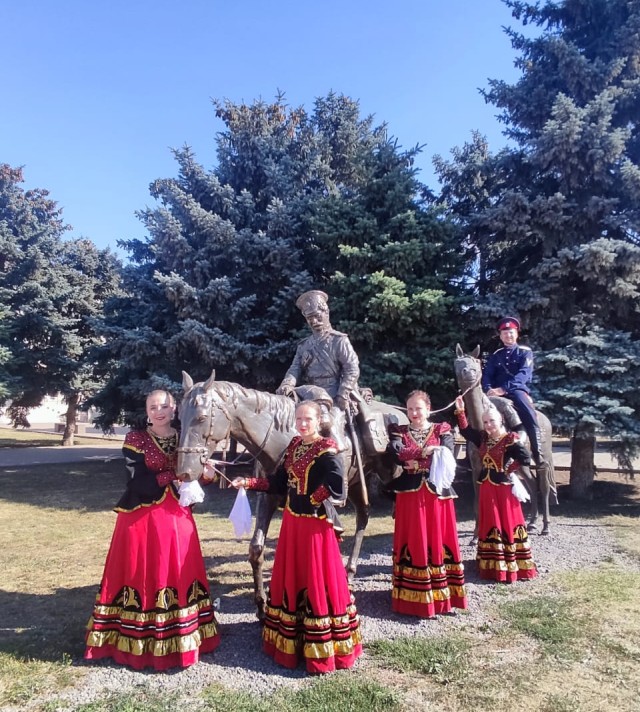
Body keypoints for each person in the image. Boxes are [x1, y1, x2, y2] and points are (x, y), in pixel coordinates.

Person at [84, 390, 220, 670]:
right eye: (153, 407)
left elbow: (194, 478)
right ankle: (138, 640)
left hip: (177, 518)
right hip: (141, 519)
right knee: (143, 572)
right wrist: (173, 474)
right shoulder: (136, 438)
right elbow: (135, 482)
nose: (159, 411)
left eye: (165, 406)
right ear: (146, 411)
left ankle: (180, 637)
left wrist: (206, 474)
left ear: (175, 409)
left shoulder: (186, 436)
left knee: (178, 572)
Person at [231, 400, 362, 674]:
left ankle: (322, 645)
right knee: (294, 573)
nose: (303, 423)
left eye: (308, 419)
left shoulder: (327, 448)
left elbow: (337, 485)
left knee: (317, 575)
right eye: (299, 418)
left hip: (314, 525)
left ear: (318, 421)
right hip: (292, 522)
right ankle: (292, 639)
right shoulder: (293, 447)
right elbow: (278, 482)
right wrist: (249, 482)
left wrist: (311, 500)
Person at [386, 391, 467, 617]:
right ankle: (412, 598)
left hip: (436, 494)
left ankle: (442, 596)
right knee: (413, 538)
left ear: (428, 409)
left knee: (437, 537)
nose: (414, 413)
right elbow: (395, 452)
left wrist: (415, 459)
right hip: (410, 495)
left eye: (418, 408)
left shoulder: (442, 429)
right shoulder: (399, 430)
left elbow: (448, 453)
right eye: (410, 409)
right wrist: (426, 451)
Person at [454, 395, 537, 583]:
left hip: (503, 488)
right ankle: (491, 562)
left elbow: (525, 457)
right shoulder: (483, 438)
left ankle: (510, 562)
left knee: (506, 521)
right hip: (486, 485)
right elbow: (466, 431)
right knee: (490, 521)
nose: (489, 425)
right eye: (485, 422)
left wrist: (508, 469)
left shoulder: (510, 439)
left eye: (492, 420)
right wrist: (460, 411)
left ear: (501, 420)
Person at [276, 290, 360, 450]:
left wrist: (344, 391)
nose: (314, 321)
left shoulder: (339, 340)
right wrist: (287, 384)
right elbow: (295, 368)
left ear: (326, 312)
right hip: (311, 394)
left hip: (335, 393)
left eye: (317, 315)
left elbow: (352, 367)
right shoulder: (304, 345)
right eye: (309, 318)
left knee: (329, 424)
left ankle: (336, 458)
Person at [482, 316, 546, 466]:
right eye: (505, 333)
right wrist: (488, 389)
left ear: (516, 333)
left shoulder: (525, 352)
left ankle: (537, 453)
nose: (508, 335)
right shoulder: (496, 355)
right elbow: (487, 375)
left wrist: (503, 389)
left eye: (511, 332)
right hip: (494, 394)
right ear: (500, 335)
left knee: (528, 412)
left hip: (516, 391)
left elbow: (523, 374)